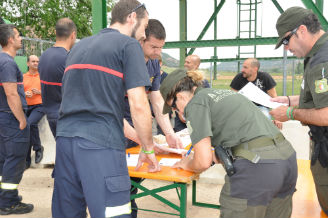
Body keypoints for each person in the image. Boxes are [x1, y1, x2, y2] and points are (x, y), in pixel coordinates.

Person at [51, 1, 160, 217]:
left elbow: (99, 105)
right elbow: (138, 105)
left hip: (65, 143)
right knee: (113, 212)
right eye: (145, 25)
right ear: (131, 18)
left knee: (68, 212)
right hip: (101, 145)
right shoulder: (128, 46)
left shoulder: (79, 47)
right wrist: (148, 148)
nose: (145, 34)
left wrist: (141, 139)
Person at [160, 69, 297, 218]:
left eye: (173, 106)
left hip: (257, 167)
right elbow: (241, 138)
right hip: (286, 160)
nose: (176, 111)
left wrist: (186, 163)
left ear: (179, 96)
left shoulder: (195, 103)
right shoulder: (224, 94)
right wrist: (212, 157)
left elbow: (202, 162)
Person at [270, 6, 328, 215]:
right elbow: (315, 97)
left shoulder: (323, 61)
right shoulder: (318, 54)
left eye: (286, 41)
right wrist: (287, 100)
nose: (286, 48)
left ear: (301, 30)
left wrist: (289, 114)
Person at [123, 19, 181, 218]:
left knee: (134, 174)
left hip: (137, 118)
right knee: (120, 175)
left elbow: (156, 101)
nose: (158, 52)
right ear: (141, 41)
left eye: (161, 47)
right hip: (117, 119)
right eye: (153, 47)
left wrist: (169, 134)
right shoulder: (125, 60)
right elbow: (112, 108)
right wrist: (145, 141)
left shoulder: (154, 64)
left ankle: (129, 208)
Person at [0, 24, 33, 215]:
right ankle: (8, 202)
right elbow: (11, 94)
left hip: (3, 117)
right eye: (19, 36)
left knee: (4, 159)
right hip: (11, 119)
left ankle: (5, 198)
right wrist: (21, 119)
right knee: (15, 160)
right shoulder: (7, 63)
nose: (21, 39)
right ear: (10, 39)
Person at [38, 18, 76, 137]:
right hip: (67, 117)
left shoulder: (44, 56)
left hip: (51, 116)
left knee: (61, 151)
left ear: (55, 33)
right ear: (73, 34)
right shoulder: (69, 58)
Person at [230, 58, 282, 129]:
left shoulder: (265, 77)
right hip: (244, 108)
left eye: (245, 67)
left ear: (255, 69)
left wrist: (277, 119)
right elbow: (232, 98)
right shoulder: (239, 78)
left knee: (265, 119)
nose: (242, 70)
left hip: (261, 108)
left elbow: (274, 98)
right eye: (243, 67)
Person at [174, 54, 210, 132]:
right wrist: (180, 113)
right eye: (185, 62)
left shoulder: (203, 82)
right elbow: (175, 97)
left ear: (196, 65)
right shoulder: (179, 79)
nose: (185, 64)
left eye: (188, 62)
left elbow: (207, 100)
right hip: (181, 119)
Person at [23, 55, 45, 169]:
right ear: (28, 63)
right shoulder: (23, 77)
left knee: (30, 123)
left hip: (40, 106)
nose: (36, 63)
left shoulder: (42, 76)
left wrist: (41, 92)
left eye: (37, 61)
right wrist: (24, 93)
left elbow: (52, 91)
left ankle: (38, 148)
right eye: (33, 61)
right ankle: (26, 159)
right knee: (25, 129)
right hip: (26, 107)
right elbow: (17, 91)